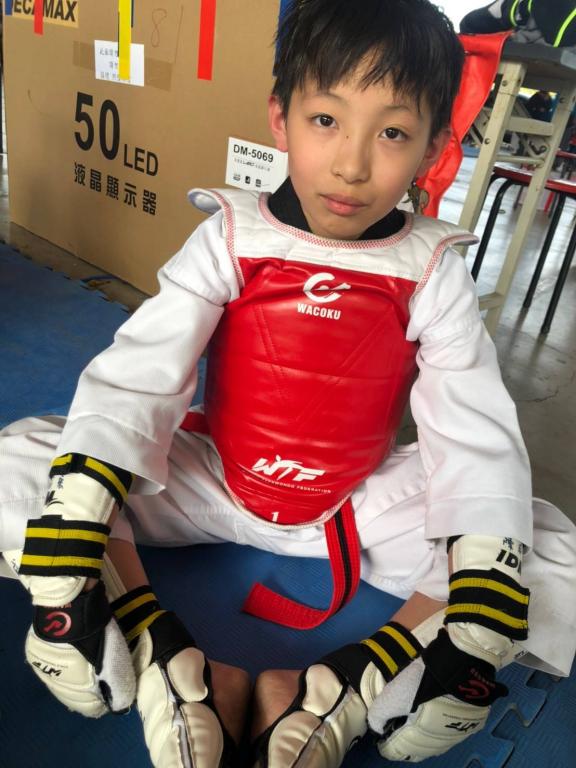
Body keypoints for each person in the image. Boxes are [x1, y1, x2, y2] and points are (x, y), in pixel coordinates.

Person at [1, 1, 575, 766]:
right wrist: (77, 522)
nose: (351, 165)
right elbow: (139, 373)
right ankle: (155, 643)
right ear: (281, 119)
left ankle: (354, 684)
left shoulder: (432, 269)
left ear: (436, 147)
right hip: (214, 481)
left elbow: (472, 423)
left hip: (353, 507)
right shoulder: (230, 236)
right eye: (326, 121)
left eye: (393, 134)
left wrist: (482, 610)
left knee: (543, 555)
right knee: (24, 461)